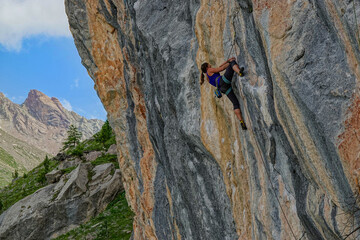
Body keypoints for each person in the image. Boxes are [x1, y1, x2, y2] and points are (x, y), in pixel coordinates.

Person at [200, 57, 247, 130]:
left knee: (235, 103)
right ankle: (239, 72)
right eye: (208, 64)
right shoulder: (209, 70)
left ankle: (241, 121)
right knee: (232, 64)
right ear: (207, 67)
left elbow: (219, 67)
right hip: (223, 81)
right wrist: (230, 63)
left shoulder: (207, 77)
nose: (210, 64)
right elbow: (221, 69)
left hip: (223, 89)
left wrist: (227, 61)